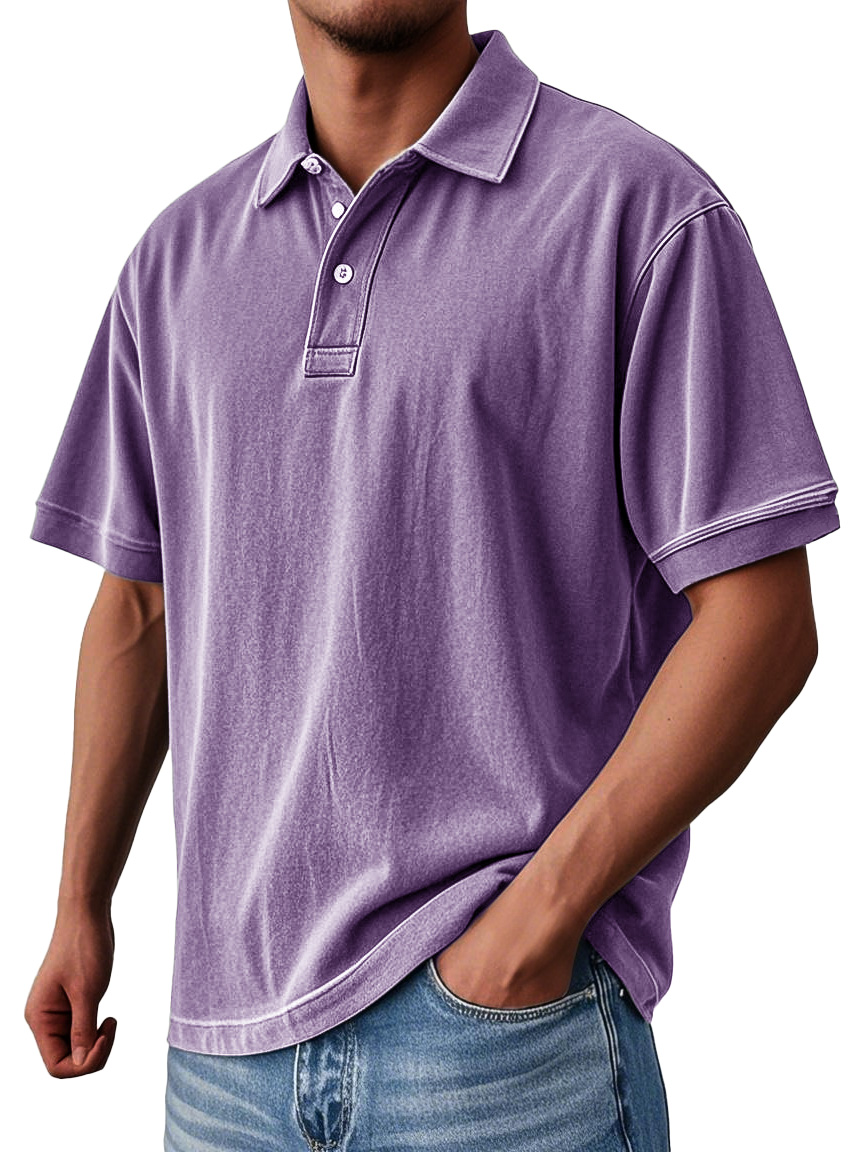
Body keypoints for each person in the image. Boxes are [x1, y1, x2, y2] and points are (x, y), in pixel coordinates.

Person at [24, 2, 841, 1149]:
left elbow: (762, 617)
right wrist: (79, 901)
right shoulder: (175, 261)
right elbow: (137, 603)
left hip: (504, 1049)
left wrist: (536, 924)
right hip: (221, 1057)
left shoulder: (639, 209)